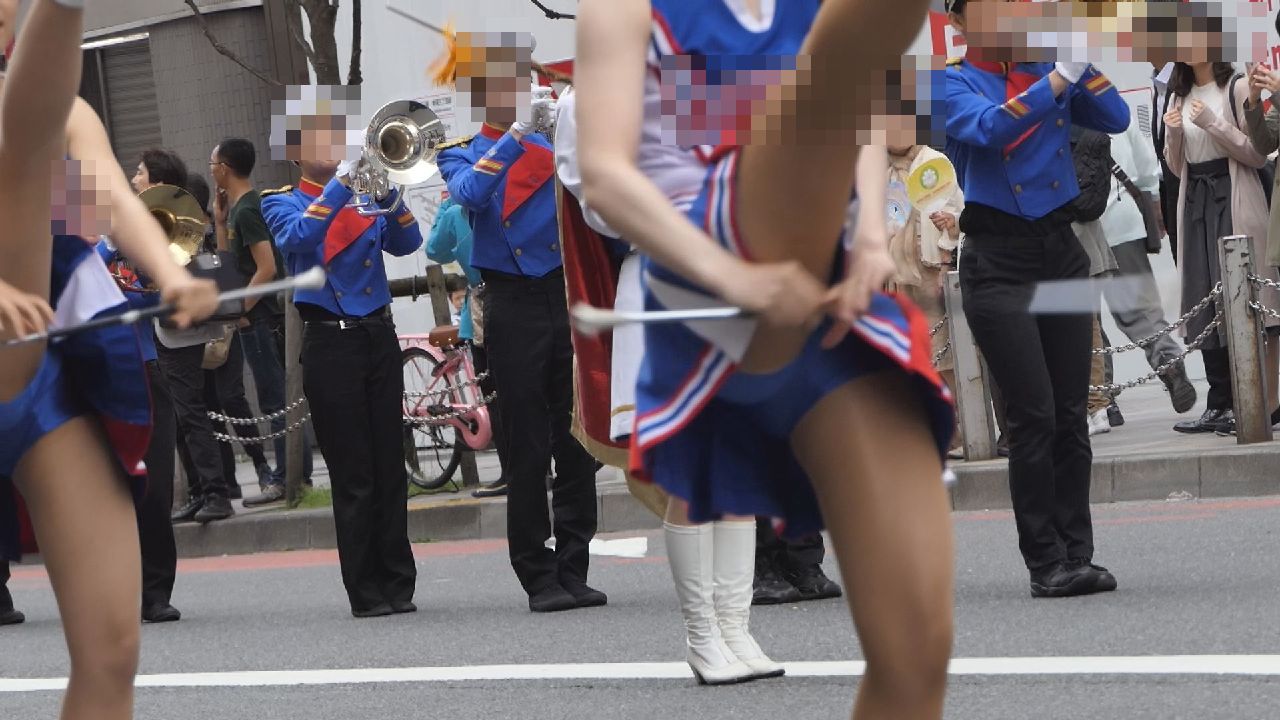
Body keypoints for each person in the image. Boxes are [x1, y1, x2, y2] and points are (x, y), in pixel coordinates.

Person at [576, 0, 953, 711]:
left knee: (916, 646)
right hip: (706, 258)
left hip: (827, 283)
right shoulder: (625, 9)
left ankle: (736, 625)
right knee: (826, 78)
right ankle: (705, 632)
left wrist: (873, 233)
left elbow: (863, 110)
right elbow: (603, 175)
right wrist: (734, 276)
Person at [0, 3, 218, 719]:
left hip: (46, 372)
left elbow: (110, 195)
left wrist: (170, 271)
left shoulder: (67, 110)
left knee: (112, 649)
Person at [946, 0, 1129, 597]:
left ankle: (1080, 551)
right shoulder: (949, 81)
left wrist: (1075, 64)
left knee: (1072, 416)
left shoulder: (1047, 66)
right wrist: (1057, 78)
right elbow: (993, 127)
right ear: (959, 22)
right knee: (1033, 418)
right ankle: (1045, 562)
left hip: (1059, 253)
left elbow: (1118, 116)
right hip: (997, 264)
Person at [434, 33, 605, 614]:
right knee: (527, 443)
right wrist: (515, 135)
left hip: (567, 290)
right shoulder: (460, 149)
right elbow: (470, 195)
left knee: (577, 439)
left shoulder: (559, 135)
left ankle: (575, 564)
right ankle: (537, 572)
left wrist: (565, 131)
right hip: (512, 302)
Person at [262, 86, 420, 618]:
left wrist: (388, 193)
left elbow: (408, 243)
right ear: (294, 147)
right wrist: (341, 185)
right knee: (354, 472)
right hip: (330, 340)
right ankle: (366, 588)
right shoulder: (281, 199)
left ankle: (400, 582)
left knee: (389, 464)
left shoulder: (363, 191)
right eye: (317, 134)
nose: (333, 142)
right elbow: (299, 241)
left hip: (377, 333)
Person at [1164, 59, 1280, 436]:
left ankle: (1251, 401)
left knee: (1246, 299)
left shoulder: (1237, 86)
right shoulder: (1176, 92)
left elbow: (1255, 153)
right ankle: (1218, 403)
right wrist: (1175, 134)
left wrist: (1211, 123)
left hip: (1233, 194)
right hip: (1195, 197)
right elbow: (1176, 167)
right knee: (1204, 298)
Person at [212, 137, 313, 504]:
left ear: (225, 168)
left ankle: (288, 480)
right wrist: (219, 222)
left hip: (262, 319)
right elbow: (229, 265)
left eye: (214, 165)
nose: (212, 172)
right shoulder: (237, 210)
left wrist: (241, 307)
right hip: (254, 318)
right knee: (278, 399)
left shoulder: (251, 208)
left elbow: (267, 267)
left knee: (275, 401)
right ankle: (295, 478)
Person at [1097, 108, 1198, 420]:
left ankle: (1101, 400)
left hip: (1075, 226)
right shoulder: (1112, 110)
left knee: (1083, 322)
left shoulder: (1049, 110)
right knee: (1140, 310)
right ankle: (1167, 358)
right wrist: (1154, 203)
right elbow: (1145, 167)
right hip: (1123, 219)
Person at [427, 190, 510, 498]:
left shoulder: (454, 213)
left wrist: (445, 205)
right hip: (515, 299)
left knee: (493, 392)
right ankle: (540, 469)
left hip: (480, 304)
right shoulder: (500, 200)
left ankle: (510, 472)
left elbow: (436, 250)